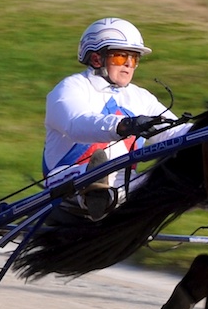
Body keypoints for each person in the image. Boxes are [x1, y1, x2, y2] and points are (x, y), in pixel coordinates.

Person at [43, 18, 188, 220]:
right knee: (97, 168)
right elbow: (76, 124)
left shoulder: (141, 97)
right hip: (67, 183)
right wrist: (123, 125)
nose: (129, 64)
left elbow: (173, 132)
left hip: (124, 186)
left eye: (134, 58)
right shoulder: (70, 88)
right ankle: (96, 191)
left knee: (176, 176)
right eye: (121, 57)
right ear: (96, 59)